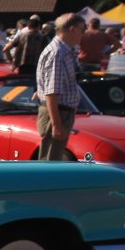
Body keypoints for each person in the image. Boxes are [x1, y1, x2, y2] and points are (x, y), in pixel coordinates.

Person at [36, 14, 86, 161]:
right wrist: (56, 124)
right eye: (82, 30)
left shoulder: (64, 51)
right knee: (50, 162)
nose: (83, 34)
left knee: (53, 161)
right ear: (72, 29)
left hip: (60, 112)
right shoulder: (57, 53)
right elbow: (52, 93)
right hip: (57, 113)